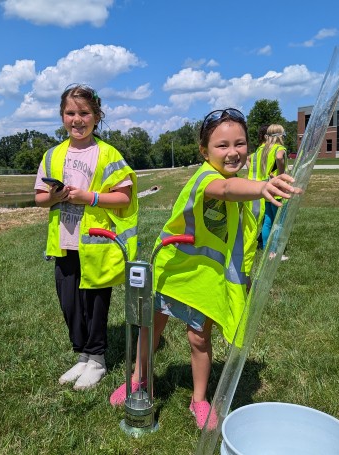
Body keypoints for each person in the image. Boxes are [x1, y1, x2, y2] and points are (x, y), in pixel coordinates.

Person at [109, 109, 296, 429]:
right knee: (150, 330)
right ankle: (138, 379)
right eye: (222, 145)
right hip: (173, 270)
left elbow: (244, 238)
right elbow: (223, 191)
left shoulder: (244, 186)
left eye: (240, 143)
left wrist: (244, 274)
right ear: (204, 151)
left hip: (205, 280)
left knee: (199, 339)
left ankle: (199, 399)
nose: (233, 151)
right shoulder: (205, 178)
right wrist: (263, 186)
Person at [34, 84, 138, 390]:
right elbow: (40, 198)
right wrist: (57, 196)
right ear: (62, 116)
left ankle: (98, 361)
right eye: (70, 113)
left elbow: (124, 198)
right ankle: (81, 356)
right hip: (64, 243)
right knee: (69, 303)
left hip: (96, 244)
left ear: (96, 116)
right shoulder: (52, 155)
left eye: (84, 113)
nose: (77, 119)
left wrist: (88, 197)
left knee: (94, 303)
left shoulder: (107, 154)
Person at [247, 124, 288, 258]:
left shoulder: (262, 149)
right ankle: (274, 252)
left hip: (266, 189)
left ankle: (266, 250)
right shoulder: (279, 148)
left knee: (268, 221)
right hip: (276, 189)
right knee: (278, 222)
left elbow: (250, 159)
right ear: (280, 136)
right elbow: (280, 157)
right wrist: (281, 175)